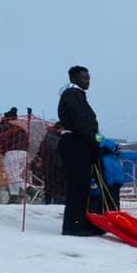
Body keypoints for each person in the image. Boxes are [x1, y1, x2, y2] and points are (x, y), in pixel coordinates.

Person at [57, 66, 102, 236]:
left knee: (83, 186)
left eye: (89, 78)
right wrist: (95, 141)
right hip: (76, 143)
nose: (88, 82)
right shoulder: (72, 95)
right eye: (84, 78)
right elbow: (82, 123)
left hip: (81, 143)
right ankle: (72, 226)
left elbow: (88, 125)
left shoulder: (78, 95)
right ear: (74, 78)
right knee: (77, 186)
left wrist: (98, 140)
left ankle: (81, 221)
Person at [0, 109, 27, 204]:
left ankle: (29, 188)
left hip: (12, 153)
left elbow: (3, 140)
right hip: (25, 153)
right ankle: (14, 197)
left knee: (12, 176)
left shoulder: (3, 126)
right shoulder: (21, 126)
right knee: (14, 176)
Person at [98, 137, 124, 209]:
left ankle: (115, 212)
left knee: (115, 203)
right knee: (112, 203)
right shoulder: (107, 159)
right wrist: (110, 183)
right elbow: (108, 173)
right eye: (115, 148)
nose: (117, 150)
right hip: (111, 185)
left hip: (116, 183)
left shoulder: (114, 158)